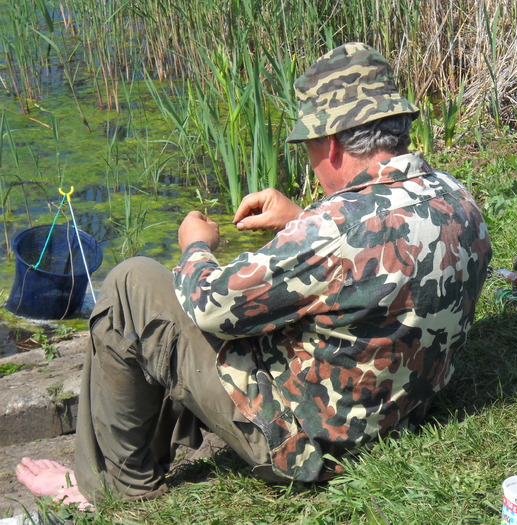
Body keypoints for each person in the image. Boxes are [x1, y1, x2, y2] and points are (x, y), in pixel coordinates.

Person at [15, 42, 492, 508]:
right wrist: (301, 219)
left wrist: (195, 245)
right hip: (398, 418)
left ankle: (106, 489)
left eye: (309, 147)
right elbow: (378, 256)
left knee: (130, 284)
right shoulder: (458, 201)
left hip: (313, 448)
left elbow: (210, 306)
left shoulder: (332, 230)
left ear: (330, 144)